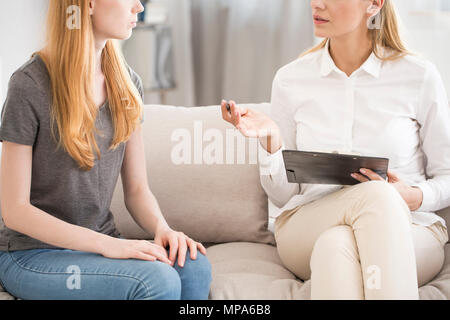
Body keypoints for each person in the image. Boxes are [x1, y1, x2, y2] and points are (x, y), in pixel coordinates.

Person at [221, 0, 449, 299]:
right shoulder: (291, 79)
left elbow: (447, 174)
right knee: (375, 195)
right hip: (307, 224)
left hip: (411, 229)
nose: (317, 3)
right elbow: (282, 196)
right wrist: (272, 141)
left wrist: (414, 196)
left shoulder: (418, 75)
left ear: (374, 5)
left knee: (335, 245)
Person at [0, 0, 211, 300]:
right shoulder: (29, 84)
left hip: (99, 243)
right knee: (157, 282)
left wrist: (162, 228)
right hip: (32, 254)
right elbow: (15, 212)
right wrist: (108, 246)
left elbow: (137, 190)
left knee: (193, 266)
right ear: (87, 4)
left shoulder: (126, 83)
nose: (138, 7)